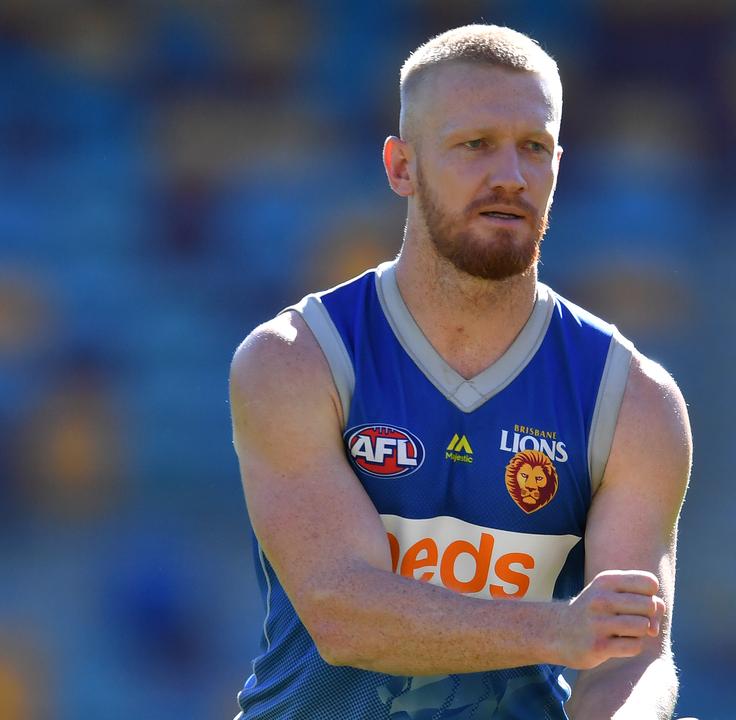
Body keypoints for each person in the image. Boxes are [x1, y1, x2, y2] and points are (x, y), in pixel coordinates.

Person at [228, 25, 692, 719]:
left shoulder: (634, 401)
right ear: (401, 166)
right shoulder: (296, 358)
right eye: (475, 144)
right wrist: (561, 630)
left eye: (533, 148)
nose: (510, 174)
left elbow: (630, 652)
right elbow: (343, 613)